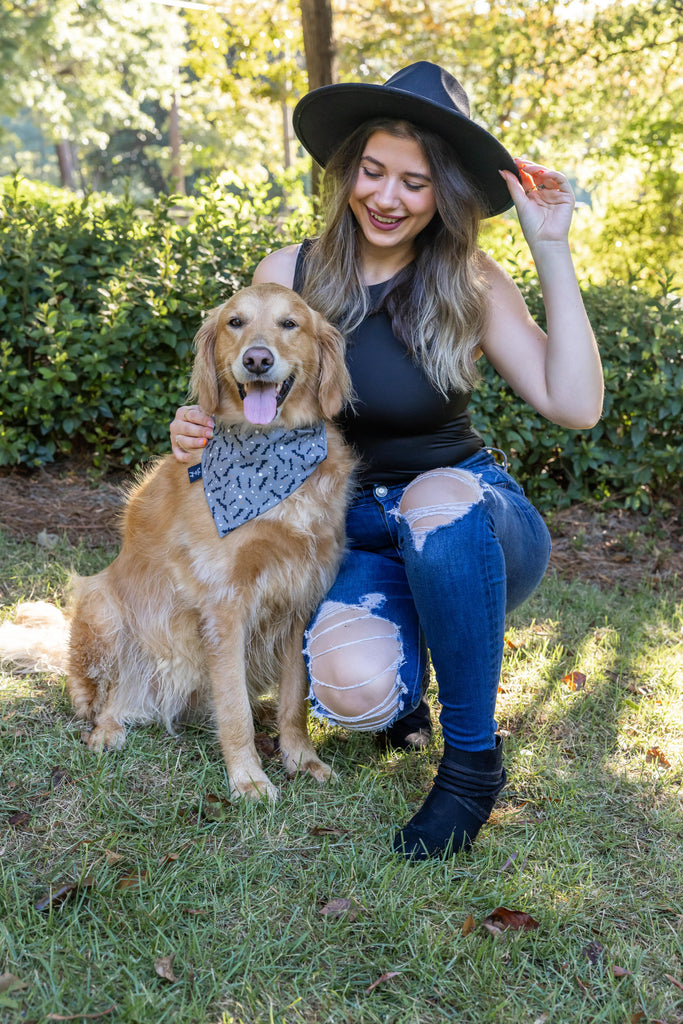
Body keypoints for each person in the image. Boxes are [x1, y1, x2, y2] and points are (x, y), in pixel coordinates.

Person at [170, 62, 603, 861]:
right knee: (353, 691)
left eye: (414, 181)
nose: (387, 197)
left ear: (443, 194)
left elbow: (573, 404)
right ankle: (408, 679)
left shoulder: (470, 280)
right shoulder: (288, 274)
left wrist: (551, 249)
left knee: (433, 501)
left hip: (468, 516)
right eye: (373, 171)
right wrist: (195, 423)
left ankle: (470, 766)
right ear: (347, 173)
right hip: (349, 528)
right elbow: (245, 392)